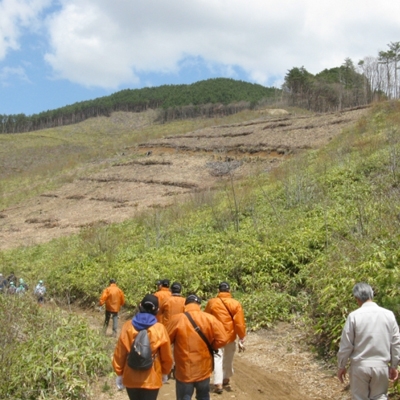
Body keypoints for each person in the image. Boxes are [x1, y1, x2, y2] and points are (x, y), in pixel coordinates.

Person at [337, 282, 400, 400]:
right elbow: (396, 342)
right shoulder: (389, 315)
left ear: (356, 298)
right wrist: (394, 365)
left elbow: (346, 345)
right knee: (380, 396)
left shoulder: (354, 316)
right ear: (372, 294)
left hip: (360, 366)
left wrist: (342, 365)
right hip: (381, 366)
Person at [166, 294, 229, 400]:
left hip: (184, 369)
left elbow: (166, 340)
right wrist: (213, 346)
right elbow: (223, 339)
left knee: (184, 396)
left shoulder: (177, 319)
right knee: (203, 395)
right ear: (199, 305)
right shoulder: (210, 319)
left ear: (185, 305)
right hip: (203, 368)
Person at [112, 294, 173, 400]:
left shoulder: (128, 326)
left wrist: (119, 373)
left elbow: (120, 353)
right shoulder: (159, 328)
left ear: (140, 306)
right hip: (152, 378)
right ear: (157, 310)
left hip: (130, 376)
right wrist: (165, 372)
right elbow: (166, 355)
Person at [204, 282, 246, 394]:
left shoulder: (212, 302)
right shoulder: (236, 304)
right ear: (229, 291)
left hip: (216, 336)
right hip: (230, 336)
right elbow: (239, 323)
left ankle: (218, 383)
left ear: (218, 291)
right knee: (228, 358)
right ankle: (226, 378)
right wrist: (241, 336)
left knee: (217, 358)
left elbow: (206, 318)